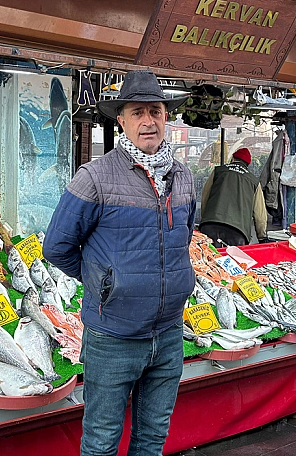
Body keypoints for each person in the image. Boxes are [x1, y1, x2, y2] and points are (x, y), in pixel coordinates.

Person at [43, 70, 194, 456]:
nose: (149, 121)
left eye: (156, 111)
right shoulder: (94, 177)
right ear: (121, 120)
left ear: (166, 117)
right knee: (100, 442)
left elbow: (184, 237)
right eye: (138, 112)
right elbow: (57, 246)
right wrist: (105, 282)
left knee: (152, 439)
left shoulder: (183, 176)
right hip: (113, 337)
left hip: (168, 334)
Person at [199, 148, 267, 247]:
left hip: (210, 225)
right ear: (247, 164)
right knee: (234, 261)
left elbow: (205, 196)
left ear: (233, 159)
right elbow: (260, 214)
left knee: (208, 260)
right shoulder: (254, 181)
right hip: (238, 232)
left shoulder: (218, 171)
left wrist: (205, 218)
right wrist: (262, 237)